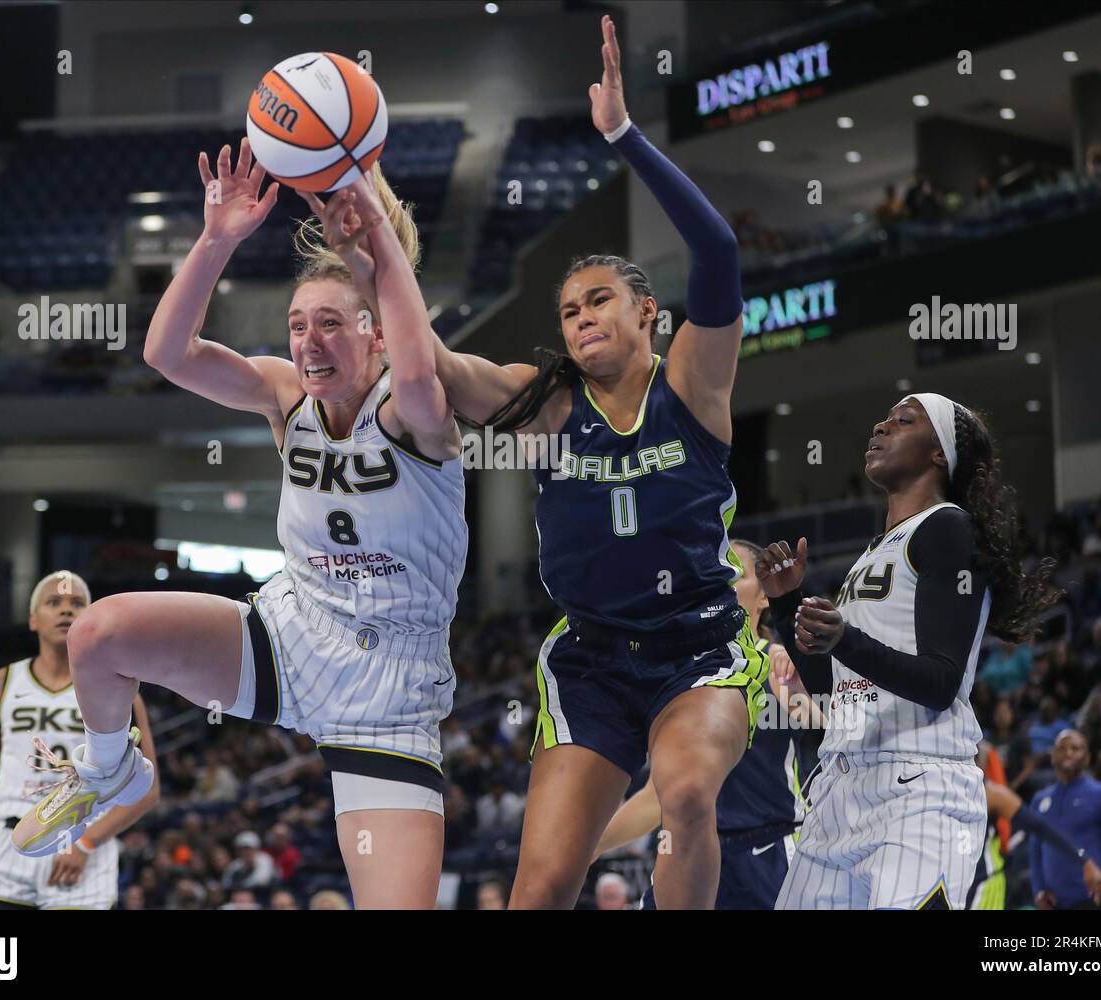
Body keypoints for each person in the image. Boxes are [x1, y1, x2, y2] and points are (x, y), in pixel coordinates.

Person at [315, 15, 765, 910]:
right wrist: (373, 267)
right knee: (544, 882)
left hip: (701, 646)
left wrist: (624, 137)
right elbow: (436, 366)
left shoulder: (694, 386)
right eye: (566, 310)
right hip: (591, 659)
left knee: (683, 797)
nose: (581, 318)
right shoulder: (548, 403)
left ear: (647, 313)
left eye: (600, 300)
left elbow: (717, 252)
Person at [12, 141, 469, 909]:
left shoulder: (415, 409)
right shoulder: (286, 394)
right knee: (96, 635)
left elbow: (421, 367)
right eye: (297, 324)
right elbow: (168, 353)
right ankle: (107, 770)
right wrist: (216, 239)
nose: (308, 340)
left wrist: (372, 230)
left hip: (390, 697)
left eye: (330, 323)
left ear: (377, 335)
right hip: (290, 640)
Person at [764, 393, 1061, 909]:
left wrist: (845, 639)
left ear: (940, 453)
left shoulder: (947, 528)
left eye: (903, 420)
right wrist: (787, 598)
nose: (880, 426)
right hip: (840, 784)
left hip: (919, 785)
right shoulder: (874, 551)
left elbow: (940, 682)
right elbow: (831, 689)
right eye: (883, 418)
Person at [594, 539, 820, 909]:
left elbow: (827, 722)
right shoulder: (678, 677)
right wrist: (589, 846)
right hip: (688, 851)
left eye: (736, 573)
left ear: (763, 598)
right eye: (715, 573)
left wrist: (803, 682)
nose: (723, 582)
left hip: (769, 854)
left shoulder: (777, 663)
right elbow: (656, 799)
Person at [0, 571, 158, 910]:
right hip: (7, 841)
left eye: (77, 603)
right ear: (33, 619)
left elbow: (147, 787)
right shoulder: (0, 685)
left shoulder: (118, 689)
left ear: (90, 619)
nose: (66, 610)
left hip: (82, 841)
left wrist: (88, 844)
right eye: (54, 602)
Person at [967, 745, 1101, 910]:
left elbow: (1040, 827)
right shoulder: (935, 789)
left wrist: (1084, 861)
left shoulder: (990, 793)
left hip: (984, 883)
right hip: (951, 878)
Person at [1030, 729, 1101, 909]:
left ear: (1087, 757)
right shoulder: (1039, 800)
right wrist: (1039, 890)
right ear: (1053, 756)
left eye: (1075, 748)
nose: (1068, 752)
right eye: (1061, 748)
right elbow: (1035, 850)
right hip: (1052, 903)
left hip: (1093, 901)